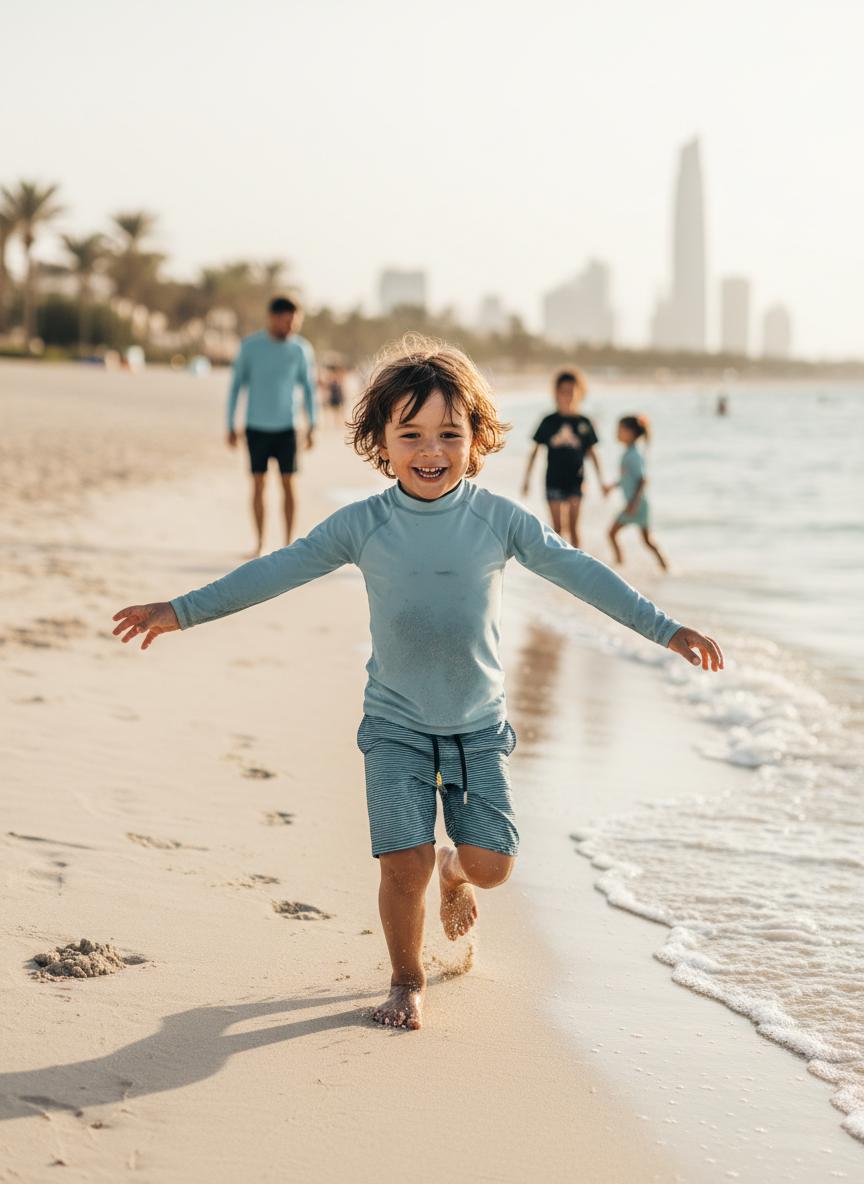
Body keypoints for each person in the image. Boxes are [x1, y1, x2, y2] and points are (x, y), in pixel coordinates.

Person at [112, 338, 722, 1031]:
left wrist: (666, 628)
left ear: (476, 439)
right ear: (381, 441)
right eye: (411, 435)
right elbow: (275, 570)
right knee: (403, 868)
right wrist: (183, 610)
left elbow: (582, 573)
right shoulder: (363, 525)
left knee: (494, 866)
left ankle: (455, 869)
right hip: (396, 724)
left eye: (449, 435)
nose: (431, 450)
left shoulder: (499, 520)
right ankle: (407, 977)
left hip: (476, 725)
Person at [227, 296, 317, 555]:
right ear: (272, 318)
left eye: (295, 322)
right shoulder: (250, 347)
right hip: (256, 427)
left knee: (289, 484)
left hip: (288, 427)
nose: (291, 327)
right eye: (287, 321)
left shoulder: (301, 349)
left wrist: (313, 425)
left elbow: (309, 389)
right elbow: (236, 387)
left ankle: (288, 544)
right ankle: (260, 543)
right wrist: (230, 424)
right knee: (258, 484)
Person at [522, 369, 603, 548]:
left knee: (575, 530)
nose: (568, 395)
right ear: (556, 392)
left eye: (572, 390)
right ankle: (558, 572)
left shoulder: (584, 422)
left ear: (579, 392)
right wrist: (526, 480)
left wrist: (601, 482)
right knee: (558, 529)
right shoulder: (549, 421)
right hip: (554, 480)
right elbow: (534, 452)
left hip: (577, 480)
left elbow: (593, 453)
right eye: (563, 391)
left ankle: (578, 573)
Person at [604, 415, 668, 571]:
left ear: (631, 433)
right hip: (637, 504)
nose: (616, 433)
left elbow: (642, 480)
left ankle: (619, 565)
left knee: (612, 533)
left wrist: (633, 503)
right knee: (646, 540)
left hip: (636, 505)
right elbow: (627, 478)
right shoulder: (628, 453)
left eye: (620, 430)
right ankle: (664, 567)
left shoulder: (633, 455)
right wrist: (612, 486)